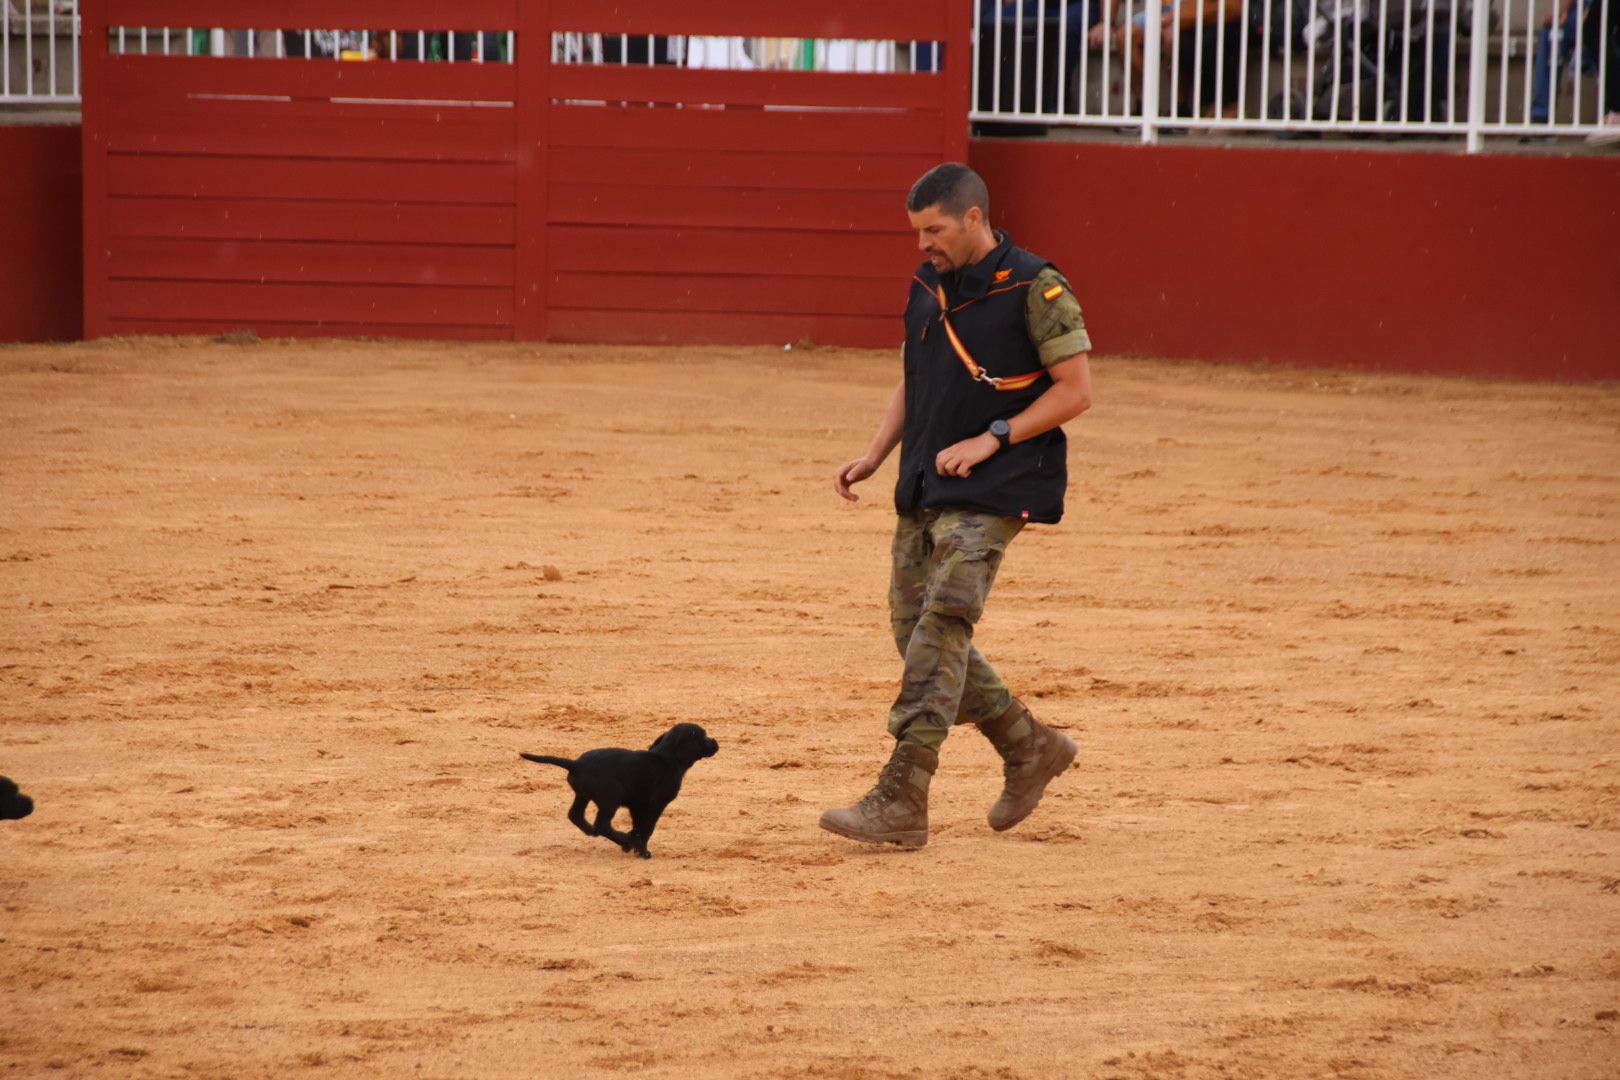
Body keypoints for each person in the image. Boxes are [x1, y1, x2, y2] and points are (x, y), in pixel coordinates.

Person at [819, 163, 1093, 849]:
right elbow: (917, 377)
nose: (923, 245)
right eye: (916, 233)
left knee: (941, 627)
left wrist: (993, 436)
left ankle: (904, 795)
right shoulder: (927, 285)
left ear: (974, 218)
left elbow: (1075, 391)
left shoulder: (1038, 286)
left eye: (933, 230)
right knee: (915, 632)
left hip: (999, 485)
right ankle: (1029, 746)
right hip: (926, 481)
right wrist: (877, 453)